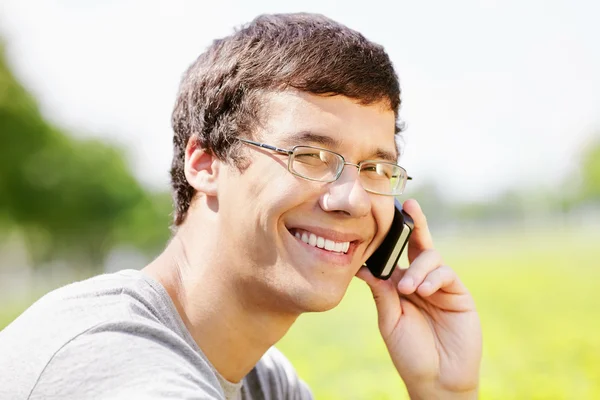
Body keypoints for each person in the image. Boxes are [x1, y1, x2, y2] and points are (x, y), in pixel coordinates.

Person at [0, 13, 482, 400]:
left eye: (376, 168)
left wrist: (443, 392)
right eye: (310, 157)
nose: (353, 199)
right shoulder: (114, 365)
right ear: (205, 163)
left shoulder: (263, 379)